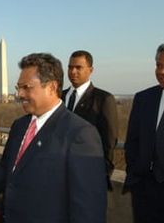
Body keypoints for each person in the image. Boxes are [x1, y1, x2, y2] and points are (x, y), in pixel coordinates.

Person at [0, 53, 107, 223]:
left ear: (52, 87)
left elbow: (88, 208)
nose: (20, 94)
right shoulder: (19, 126)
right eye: (18, 87)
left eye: (27, 87)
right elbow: (4, 171)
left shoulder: (80, 133)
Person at [62, 50, 118, 189]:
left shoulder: (103, 99)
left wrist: (101, 173)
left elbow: (109, 141)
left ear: (90, 70)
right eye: (70, 67)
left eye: (78, 67)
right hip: (58, 175)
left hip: (87, 175)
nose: (73, 71)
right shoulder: (57, 97)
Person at [124, 44, 164, 223]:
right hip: (143, 189)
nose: (161, 71)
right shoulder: (143, 98)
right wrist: (134, 173)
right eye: (158, 65)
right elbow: (132, 140)